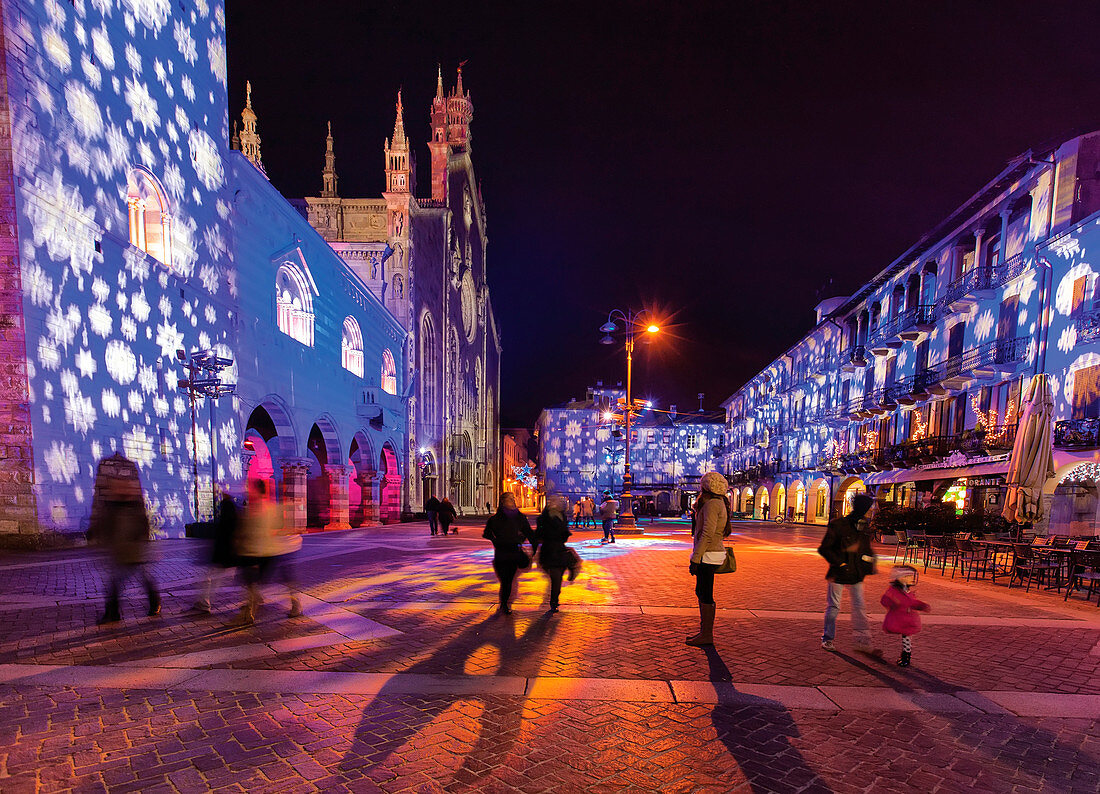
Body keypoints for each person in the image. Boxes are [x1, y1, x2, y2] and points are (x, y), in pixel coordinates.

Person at [89, 452, 160, 624]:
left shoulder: (135, 507)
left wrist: (140, 544)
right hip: (120, 552)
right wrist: (96, 534)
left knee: (137, 579)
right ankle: (114, 613)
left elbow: (143, 527)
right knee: (118, 582)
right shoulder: (113, 507)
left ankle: (153, 604)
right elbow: (105, 524)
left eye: (121, 487)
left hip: (134, 552)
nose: (117, 489)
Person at [818, 492, 881, 655]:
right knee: (834, 606)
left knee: (859, 606)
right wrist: (841, 562)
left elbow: (866, 549)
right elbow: (824, 548)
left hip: (856, 572)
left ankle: (862, 641)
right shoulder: (838, 524)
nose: (868, 509)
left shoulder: (864, 526)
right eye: (867, 506)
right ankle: (827, 638)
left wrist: (869, 563)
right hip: (839, 572)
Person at [235, 479, 301, 623]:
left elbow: (281, 529)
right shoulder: (254, 508)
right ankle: (250, 611)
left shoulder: (267, 508)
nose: (247, 491)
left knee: (278, 579)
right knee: (254, 581)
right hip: (263, 551)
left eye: (251, 488)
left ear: (258, 490)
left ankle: (250, 612)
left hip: (273, 550)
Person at [686, 471, 732, 646]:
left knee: (705, 593)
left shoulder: (713, 504)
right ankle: (704, 632)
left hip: (709, 553)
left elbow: (707, 532)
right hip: (708, 552)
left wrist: (696, 558)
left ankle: (706, 635)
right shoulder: (717, 502)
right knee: (702, 592)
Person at [483, 492, 534, 614]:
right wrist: (496, 541)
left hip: (512, 553)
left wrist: (525, 541)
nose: (512, 501)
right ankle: (504, 603)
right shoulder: (495, 519)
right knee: (505, 580)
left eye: (512, 499)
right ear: (503, 502)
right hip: (501, 553)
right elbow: (486, 533)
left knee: (508, 580)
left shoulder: (519, 517)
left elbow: (529, 532)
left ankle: (504, 604)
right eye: (509, 499)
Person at [193, 486, 239, 613]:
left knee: (209, 577)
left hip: (222, 552)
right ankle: (203, 601)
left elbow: (222, 532)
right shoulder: (232, 509)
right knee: (214, 578)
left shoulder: (226, 507)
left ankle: (203, 602)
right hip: (226, 552)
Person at [881, 565, 930, 667]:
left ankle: (906, 656)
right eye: (908, 577)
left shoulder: (905, 591)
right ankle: (906, 656)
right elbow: (885, 601)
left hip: (907, 619)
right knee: (906, 637)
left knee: (906, 638)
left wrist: (921, 605)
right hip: (902, 618)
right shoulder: (895, 592)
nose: (912, 579)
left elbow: (912, 602)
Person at [534, 495, 574, 613]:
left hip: (553, 551)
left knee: (556, 578)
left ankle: (554, 601)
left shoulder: (560, 517)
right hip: (552, 551)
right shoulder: (546, 518)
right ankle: (554, 600)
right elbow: (540, 534)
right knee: (556, 578)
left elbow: (539, 534)